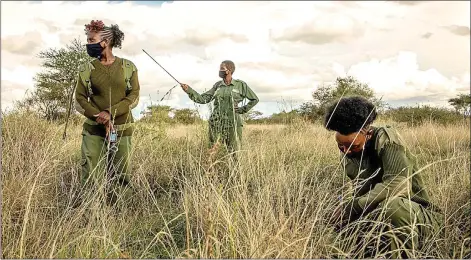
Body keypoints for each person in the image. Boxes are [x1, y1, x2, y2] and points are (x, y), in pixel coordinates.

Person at [323, 96, 443, 258]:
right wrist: (344, 210)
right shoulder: (348, 151)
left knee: (393, 207)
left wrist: (354, 206)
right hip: (377, 214)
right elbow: (359, 190)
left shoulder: (386, 138)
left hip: (418, 218)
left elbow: (397, 185)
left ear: (368, 133)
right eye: (341, 145)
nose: (346, 151)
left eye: (353, 145)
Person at [75, 20, 140, 204]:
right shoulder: (86, 69)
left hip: (122, 130)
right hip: (93, 130)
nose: (88, 44)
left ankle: (121, 215)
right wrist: (99, 117)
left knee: (122, 174)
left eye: (91, 40)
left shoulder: (128, 67)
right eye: (87, 40)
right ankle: (92, 213)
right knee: (91, 173)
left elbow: (134, 96)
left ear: (104, 42)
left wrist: (110, 113)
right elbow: (80, 99)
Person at [180, 60, 259, 158]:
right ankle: (210, 171)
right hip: (216, 122)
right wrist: (189, 90)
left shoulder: (240, 85)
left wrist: (243, 109)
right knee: (212, 151)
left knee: (234, 153)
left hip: (233, 123)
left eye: (222, 68)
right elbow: (203, 99)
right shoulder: (217, 85)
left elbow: (255, 99)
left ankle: (234, 172)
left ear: (228, 71)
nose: (219, 70)